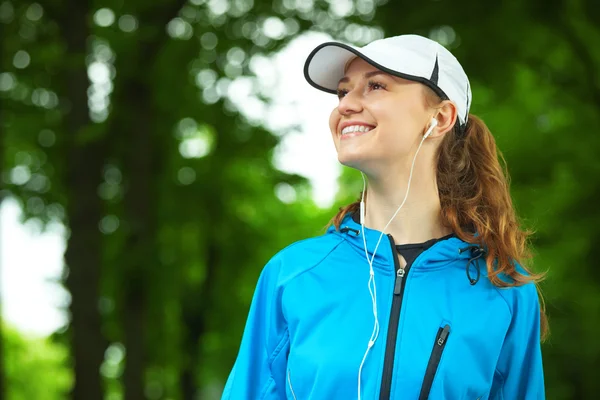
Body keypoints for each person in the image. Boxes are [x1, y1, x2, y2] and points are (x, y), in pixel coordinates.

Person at [221, 34, 547, 400]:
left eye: (375, 86)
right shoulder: (291, 274)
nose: (345, 105)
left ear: (440, 118)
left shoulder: (504, 289)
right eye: (343, 92)